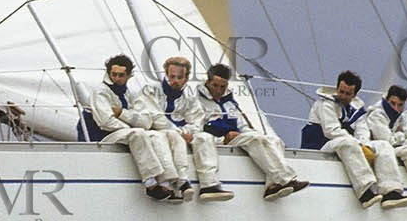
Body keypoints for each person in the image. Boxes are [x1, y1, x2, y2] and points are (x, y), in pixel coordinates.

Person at [302, 71, 407, 208]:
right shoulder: (325, 104)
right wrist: (358, 145)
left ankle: (391, 191)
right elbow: (331, 131)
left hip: (347, 146)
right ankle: (365, 191)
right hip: (320, 147)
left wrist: (364, 145)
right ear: (337, 89)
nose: (343, 96)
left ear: (354, 95)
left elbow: (362, 131)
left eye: (348, 94)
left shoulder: (357, 109)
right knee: (348, 142)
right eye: (341, 91)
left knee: (383, 145)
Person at [84, 54, 186, 202]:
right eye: (114, 74)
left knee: (155, 135)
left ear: (129, 75)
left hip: (124, 133)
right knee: (138, 133)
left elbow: (145, 121)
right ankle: (150, 183)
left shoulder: (128, 93)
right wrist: (130, 126)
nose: (117, 78)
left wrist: (123, 114)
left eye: (121, 75)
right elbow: (105, 122)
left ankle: (166, 182)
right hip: (102, 137)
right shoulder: (101, 92)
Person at [196, 64, 306, 200]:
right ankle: (286, 179)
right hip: (218, 141)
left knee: (274, 140)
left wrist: (252, 133)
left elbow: (242, 124)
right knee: (254, 139)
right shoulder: (197, 101)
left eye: (222, 87)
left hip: (237, 137)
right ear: (207, 82)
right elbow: (198, 130)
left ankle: (272, 186)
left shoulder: (229, 102)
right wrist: (222, 138)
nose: (218, 91)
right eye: (215, 85)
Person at [136, 56, 232, 202]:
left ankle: (209, 185)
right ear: (166, 75)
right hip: (157, 132)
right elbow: (155, 118)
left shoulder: (190, 99)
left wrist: (188, 132)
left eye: (179, 77)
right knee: (169, 136)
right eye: (172, 76)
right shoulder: (150, 90)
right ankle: (179, 183)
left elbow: (197, 122)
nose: (175, 80)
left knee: (205, 137)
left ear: (186, 78)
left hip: (181, 134)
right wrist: (181, 133)